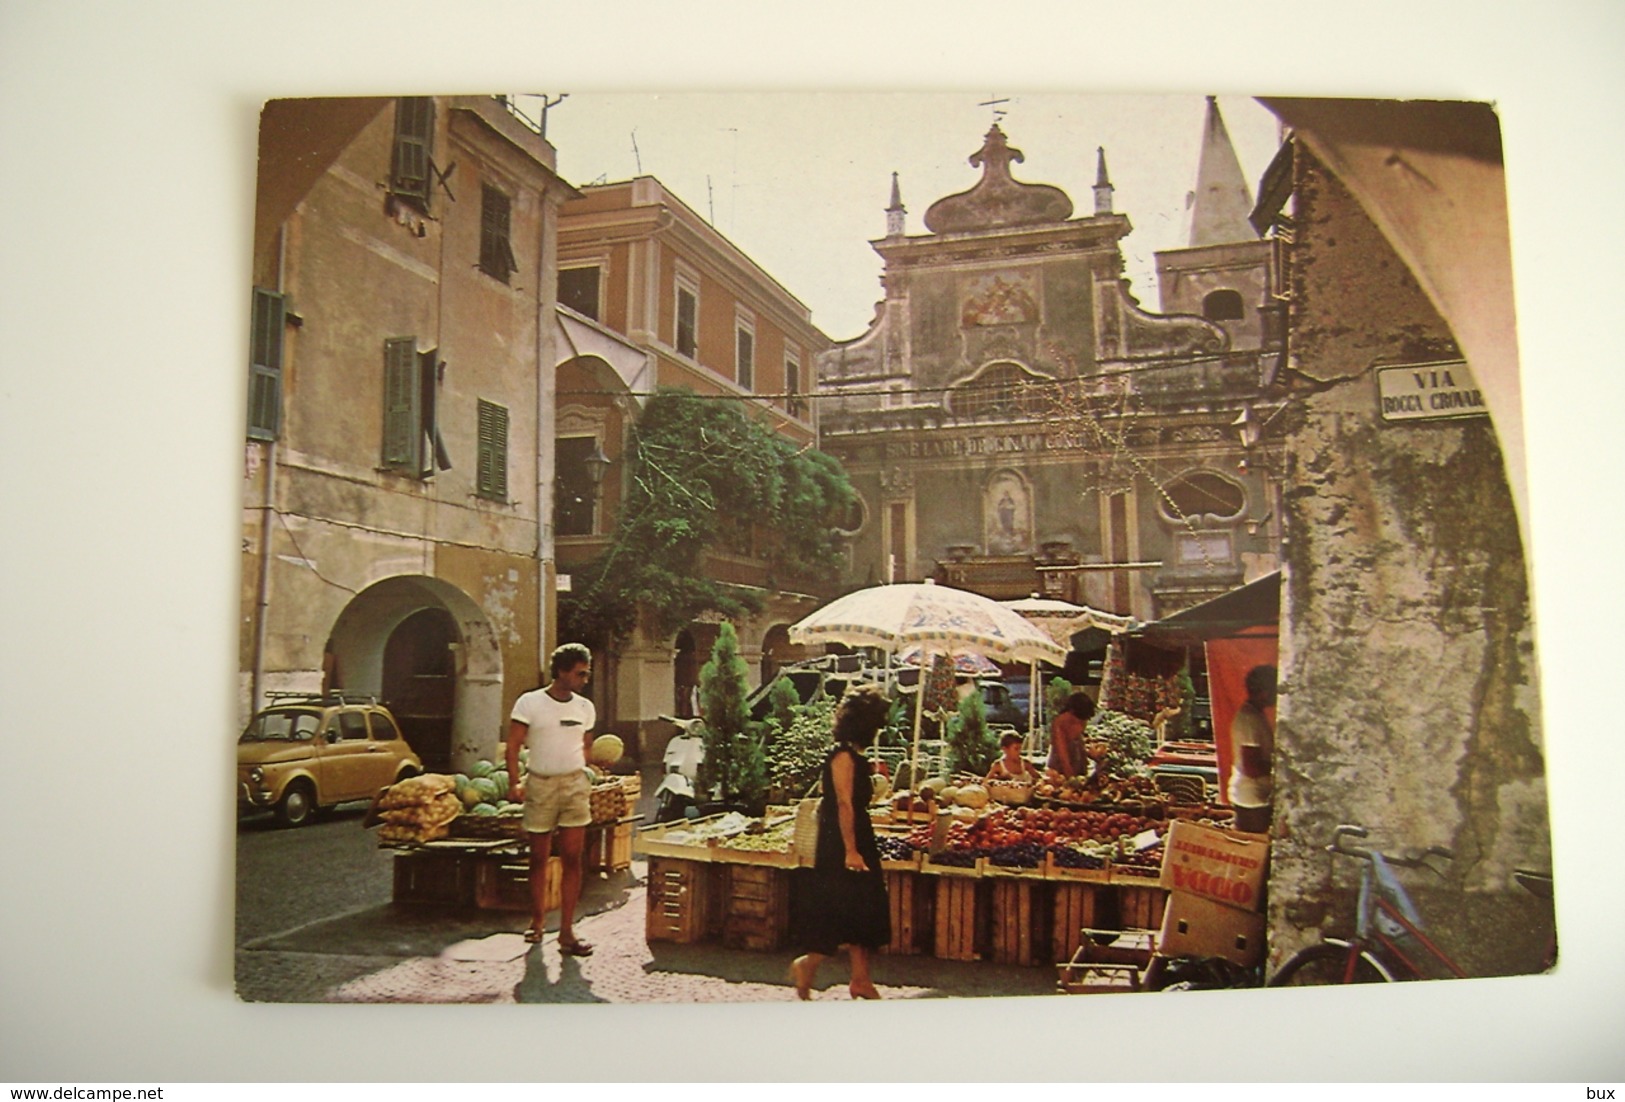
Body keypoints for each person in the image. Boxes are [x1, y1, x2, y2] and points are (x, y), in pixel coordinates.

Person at [788, 684, 892, 1000]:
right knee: (838, 908)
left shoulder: (854, 754)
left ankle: (861, 979)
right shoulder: (843, 755)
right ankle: (807, 964)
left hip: (855, 834)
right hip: (843, 841)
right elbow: (844, 803)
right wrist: (850, 850)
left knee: (864, 907)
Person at [505, 642, 597, 954]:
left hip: (573, 787)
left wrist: (584, 771)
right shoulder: (530, 703)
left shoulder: (585, 707)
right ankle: (537, 922)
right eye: (580, 673)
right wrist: (515, 783)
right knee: (538, 858)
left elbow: (586, 745)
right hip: (540, 785)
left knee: (573, 858)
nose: (585, 679)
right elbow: (514, 745)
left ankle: (568, 932)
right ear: (561, 672)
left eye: (587, 674)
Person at [1228, 665, 1277, 835]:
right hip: (1252, 799)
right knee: (1255, 852)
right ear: (1264, 692)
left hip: (1256, 797)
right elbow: (1252, 768)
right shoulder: (1249, 719)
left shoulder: (1256, 715)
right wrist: (1278, 768)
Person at [1047, 690, 1096, 779]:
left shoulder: (1082, 719)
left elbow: (1081, 739)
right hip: (1061, 767)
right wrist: (1071, 779)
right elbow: (1063, 756)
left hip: (1078, 759)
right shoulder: (1060, 723)